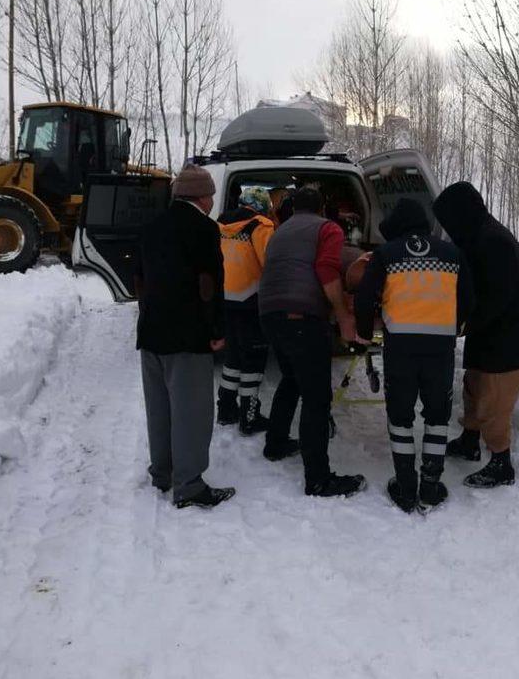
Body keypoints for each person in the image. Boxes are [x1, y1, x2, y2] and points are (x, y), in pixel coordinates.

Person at [354, 198, 474, 512]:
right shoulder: (453, 254)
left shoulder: (386, 254)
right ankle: (431, 486)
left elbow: (365, 296)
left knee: (400, 416)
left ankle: (406, 486)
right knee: (437, 416)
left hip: (401, 349)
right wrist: (454, 325)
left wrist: (365, 334)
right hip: (440, 349)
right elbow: (468, 298)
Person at [432, 182, 519, 488]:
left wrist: (460, 325)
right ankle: (469, 441)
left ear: (462, 214)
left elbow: (495, 298)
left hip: (510, 339)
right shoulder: (478, 236)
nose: (448, 229)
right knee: (473, 388)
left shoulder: (494, 242)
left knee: (493, 404)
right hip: (489, 335)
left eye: (449, 221)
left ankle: (501, 463)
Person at [135, 164, 235, 509]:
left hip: (151, 332)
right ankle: (189, 485)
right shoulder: (204, 228)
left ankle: (162, 471)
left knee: (159, 408)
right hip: (187, 333)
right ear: (204, 197)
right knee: (191, 411)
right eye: (211, 195)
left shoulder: (150, 226)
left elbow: (141, 281)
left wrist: (147, 316)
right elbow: (209, 283)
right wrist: (217, 329)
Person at [259, 186, 366, 497]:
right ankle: (318, 479)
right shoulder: (327, 228)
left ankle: (276, 443)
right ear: (321, 209)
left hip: (269, 314)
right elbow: (326, 268)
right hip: (301, 316)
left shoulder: (280, 232)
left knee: (291, 378)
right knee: (317, 397)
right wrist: (344, 315)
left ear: (292, 209)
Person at [216, 187, 275, 433]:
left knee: (233, 356)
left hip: (224, 298)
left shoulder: (220, 224)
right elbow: (270, 263)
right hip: (251, 300)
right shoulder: (261, 226)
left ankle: (226, 409)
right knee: (253, 359)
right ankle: (249, 417)